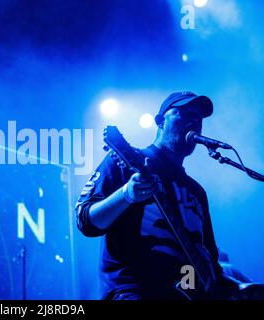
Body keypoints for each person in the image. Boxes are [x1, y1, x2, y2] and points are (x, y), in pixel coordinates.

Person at [75, 91, 242, 300]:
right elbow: (85, 220)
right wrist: (126, 194)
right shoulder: (130, 161)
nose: (194, 121)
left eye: (198, 118)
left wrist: (241, 289)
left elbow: (210, 262)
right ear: (160, 121)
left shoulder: (197, 192)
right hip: (134, 292)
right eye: (184, 113)